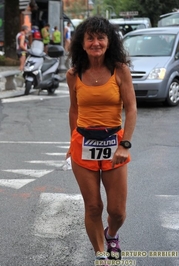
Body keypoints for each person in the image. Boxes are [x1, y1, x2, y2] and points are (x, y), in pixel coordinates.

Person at [66, 16, 137, 264]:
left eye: (101, 38)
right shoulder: (74, 74)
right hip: (83, 145)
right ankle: (101, 255)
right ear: (82, 44)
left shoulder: (120, 70)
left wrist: (125, 144)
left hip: (114, 144)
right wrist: (71, 140)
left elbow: (131, 108)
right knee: (93, 207)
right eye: (90, 38)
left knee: (117, 211)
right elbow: (73, 110)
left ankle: (112, 233)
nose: (96, 43)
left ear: (109, 42)